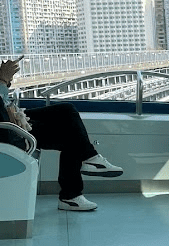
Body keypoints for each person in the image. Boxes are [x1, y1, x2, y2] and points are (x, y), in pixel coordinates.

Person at [0, 57, 122, 211]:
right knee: (71, 135)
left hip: (11, 117)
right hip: (8, 129)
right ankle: (73, 192)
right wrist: (3, 80)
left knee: (66, 110)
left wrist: (5, 80)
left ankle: (90, 160)